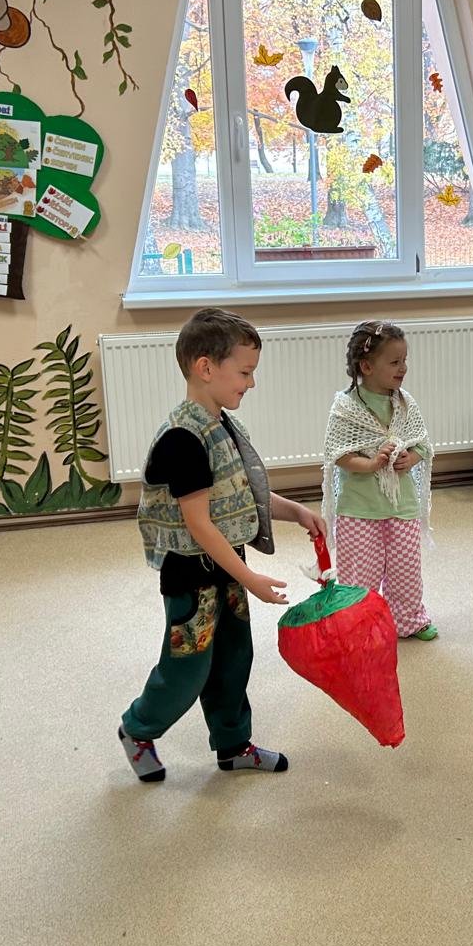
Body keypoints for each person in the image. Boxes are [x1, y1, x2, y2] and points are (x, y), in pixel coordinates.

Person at [117, 308, 325, 782]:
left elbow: (241, 492)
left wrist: (295, 511)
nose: (251, 383)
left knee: (234, 658)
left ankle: (233, 745)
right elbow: (199, 524)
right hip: (191, 573)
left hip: (225, 566)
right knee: (188, 667)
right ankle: (138, 728)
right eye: (245, 372)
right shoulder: (183, 439)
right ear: (206, 368)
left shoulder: (222, 425)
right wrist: (250, 578)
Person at [322, 320, 436, 640]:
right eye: (395, 362)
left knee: (406, 570)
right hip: (359, 509)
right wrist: (372, 463)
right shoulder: (346, 407)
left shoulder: (405, 403)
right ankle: (360, 625)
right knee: (360, 574)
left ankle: (408, 619)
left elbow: (422, 445)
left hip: (401, 505)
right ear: (367, 366)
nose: (403, 368)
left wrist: (409, 459)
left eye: (405, 360)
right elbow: (338, 454)